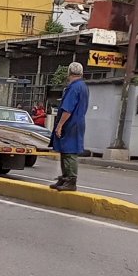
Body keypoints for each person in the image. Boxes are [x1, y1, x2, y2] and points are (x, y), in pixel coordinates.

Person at [49, 62, 89, 192]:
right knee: (65, 151)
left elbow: (68, 109)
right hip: (77, 122)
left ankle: (71, 180)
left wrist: (60, 125)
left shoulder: (74, 88)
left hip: (71, 123)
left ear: (69, 73)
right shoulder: (83, 86)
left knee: (69, 151)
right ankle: (65, 178)